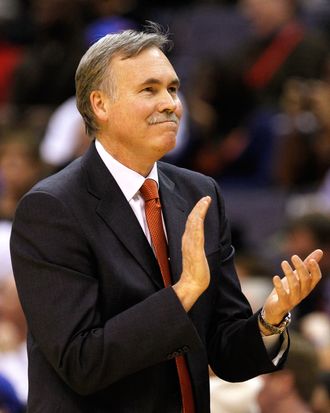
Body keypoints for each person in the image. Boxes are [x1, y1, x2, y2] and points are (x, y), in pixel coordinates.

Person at [10, 24, 323, 413]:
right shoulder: (52, 209)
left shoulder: (200, 194)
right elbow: (83, 362)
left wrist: (270, 320)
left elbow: (226, 355)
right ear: (100, 105)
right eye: (149, 90)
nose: (171, 104)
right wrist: (185, 291)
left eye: (173, 89)